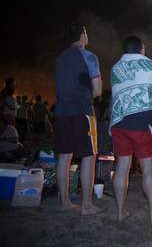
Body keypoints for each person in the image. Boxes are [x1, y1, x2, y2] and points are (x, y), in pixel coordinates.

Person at [110, 35, 152, 222]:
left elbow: (117, 94)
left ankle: (119, 212)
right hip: (140, 123)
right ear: (140, 48)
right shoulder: (148, 64)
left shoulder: (116, 67)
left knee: (122, 167)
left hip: (118, 123)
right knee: (148, 169)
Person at [54, 23, 102, 215]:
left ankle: (65, 202)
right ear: (82, 35)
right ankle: (87, 205)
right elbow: (97, 90)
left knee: (64, 156)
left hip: (61, 111)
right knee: (89, 155)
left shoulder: (60, 58)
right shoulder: (89, 56)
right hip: (82, 109)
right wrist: (93, 92)